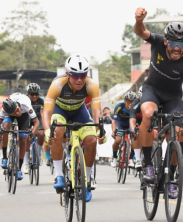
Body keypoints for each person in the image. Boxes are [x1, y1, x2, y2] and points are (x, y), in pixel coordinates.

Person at [134, 7, 183, 199]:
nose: (177, 48)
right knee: (147, 114)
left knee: (178, 133)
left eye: (181, 43)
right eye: (173, 42)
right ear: (166, 41)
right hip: (152, 91)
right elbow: (141, 32)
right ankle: (147, 165)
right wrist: (139, 20)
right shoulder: (156, 43)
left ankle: (171, 178)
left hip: (173, 97)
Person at [43, 54, 105, 202]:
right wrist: (47, 129)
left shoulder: (92, 85)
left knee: (91, 141)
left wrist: (98, 129)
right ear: (67, 74)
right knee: (56, 131)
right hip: (60, 111)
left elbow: (96, 111)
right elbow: (47, 111)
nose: (79, 79)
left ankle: (87, 181)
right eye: (75, 75)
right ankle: (59, 175)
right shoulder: (57, 85)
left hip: (79, 111)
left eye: (83, 75)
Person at [0, 94, 39, 181]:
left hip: (24, 116)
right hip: (9, 115)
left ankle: (19, 168)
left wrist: (32, 133)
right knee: (6, 127)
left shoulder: (26, 105)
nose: (17, 113)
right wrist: (0, 132)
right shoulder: (5, 109)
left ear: (18, 106)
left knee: (23, 139)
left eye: (17, 110)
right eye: (14, 113)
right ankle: (4, 157)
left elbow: (36, 122)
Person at [110, 91, 138, 168]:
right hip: (120, 124)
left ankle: (131, 158)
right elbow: (114, 121)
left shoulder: (137, 107)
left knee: (134, 139)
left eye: (133, 102)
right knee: (118, 140)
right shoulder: (119, 106)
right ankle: (115, 157)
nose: (130, 104)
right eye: (129, 101)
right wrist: (113, 131)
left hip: (130, 124)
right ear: (125, 101)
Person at [25, 83, 45, 172]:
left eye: (36, 94)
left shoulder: (42, 100)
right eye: (32, 94)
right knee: (25, 137)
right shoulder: (24, 100)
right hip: (26, 119)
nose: (34, 96)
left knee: (41, 133)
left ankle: (39, 154)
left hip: (37, 119)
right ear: (28, 94)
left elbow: (47, 111)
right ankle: (25, 163)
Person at [129, 86, 144, 169]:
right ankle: (138, 159)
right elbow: (132, 121)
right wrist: (133, 130)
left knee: (155, 136)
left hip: (148, 120)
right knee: (136, 134)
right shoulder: (135, 104)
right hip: (138, 121)